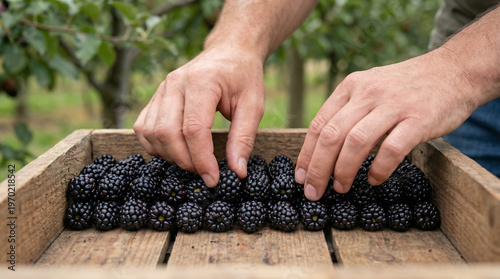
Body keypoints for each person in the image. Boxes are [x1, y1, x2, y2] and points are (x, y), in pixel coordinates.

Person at [134, 0, 500, 201]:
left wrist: (457, 71)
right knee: (460, 206)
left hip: (464, 74)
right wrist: (235, 42)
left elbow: (459, 71)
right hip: (469, 29)